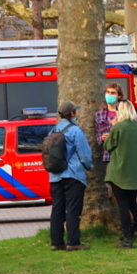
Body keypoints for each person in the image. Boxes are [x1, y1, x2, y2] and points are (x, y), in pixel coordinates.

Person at [105, 100, 137, 248]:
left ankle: (127, 238)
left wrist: (111, 129)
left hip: (119, 171)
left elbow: (108, 145)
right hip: (134, 171)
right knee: (133, 203)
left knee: (123, 205)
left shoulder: (118, 127)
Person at [48, 101, 93, 252]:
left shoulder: (53, 130)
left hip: (55, 176)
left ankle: (56, 242)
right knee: (73, 209)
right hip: (73, 175)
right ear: (72, 113)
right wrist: (89, 166)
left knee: (57, 209)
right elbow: (84, 154)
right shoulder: (75, 131)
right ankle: (73, 242)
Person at [95, 82, 124, 168]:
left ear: (119, 96)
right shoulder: (99, 115)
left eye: (113, 93)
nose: (109, 95)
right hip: (108, 156)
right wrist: (102, 138)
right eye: (107, 92)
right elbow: (97, 135)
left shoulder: (125, 113)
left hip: (123, 155)